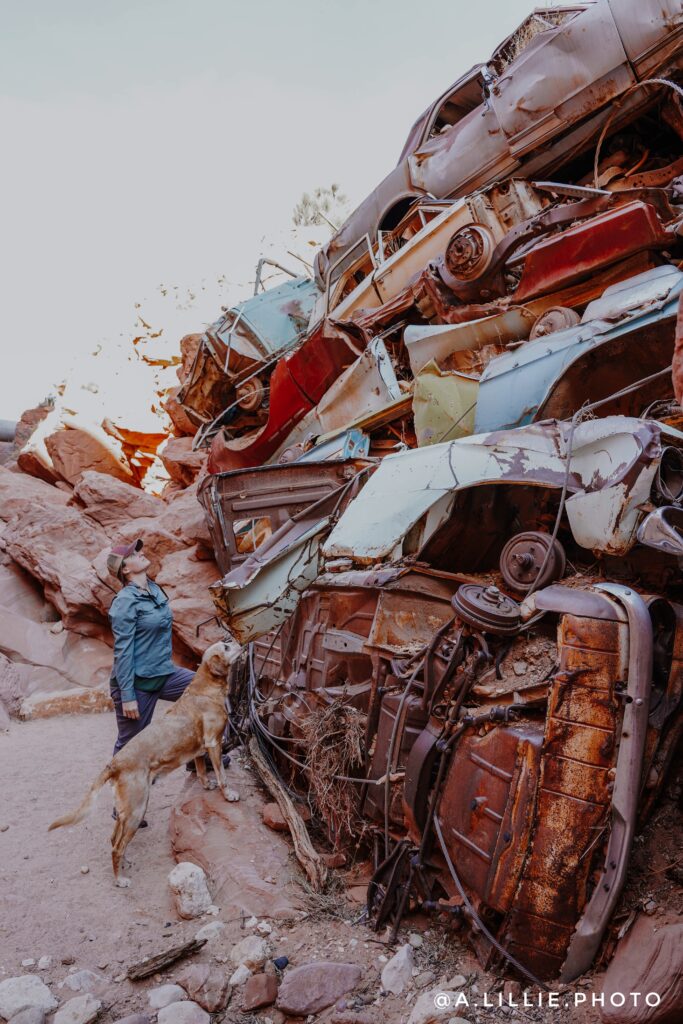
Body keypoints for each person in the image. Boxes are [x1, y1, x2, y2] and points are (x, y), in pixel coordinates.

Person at [107, 539, 194, 759]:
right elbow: (123, 651)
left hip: (164, 673)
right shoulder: (124, 602)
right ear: (125, 569)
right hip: (137, 683)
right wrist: (127, 696)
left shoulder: (155, 589)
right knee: (131, 748)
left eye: (139, 550)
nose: (141, 553)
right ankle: (122, 790)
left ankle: (201, 758)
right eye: (134, 554)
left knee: (205, 692)